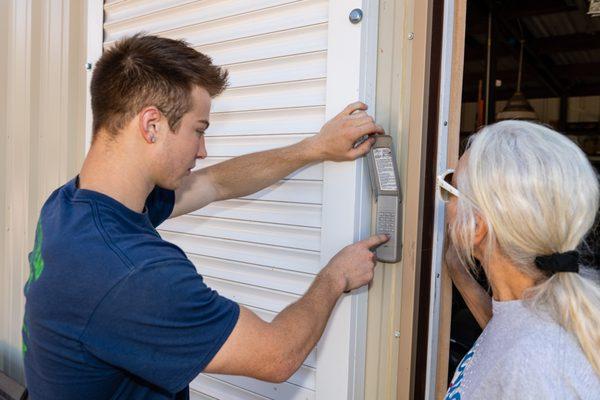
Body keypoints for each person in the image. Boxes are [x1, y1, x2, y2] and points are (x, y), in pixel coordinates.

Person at [22, 34, 389, 399]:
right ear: (151, 125)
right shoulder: (132, 274)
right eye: (198, 130)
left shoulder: (69, 205)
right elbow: (276, 356)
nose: (202, 150)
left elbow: (214, 184)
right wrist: (336, 275)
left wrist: (314, 148)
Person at [439, 120, 600, 399]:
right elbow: (505, 337)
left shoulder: (537, 365)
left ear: (477, 227)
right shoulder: (532, 312)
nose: (443, 201)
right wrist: (457, 270)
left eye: (449, 188)